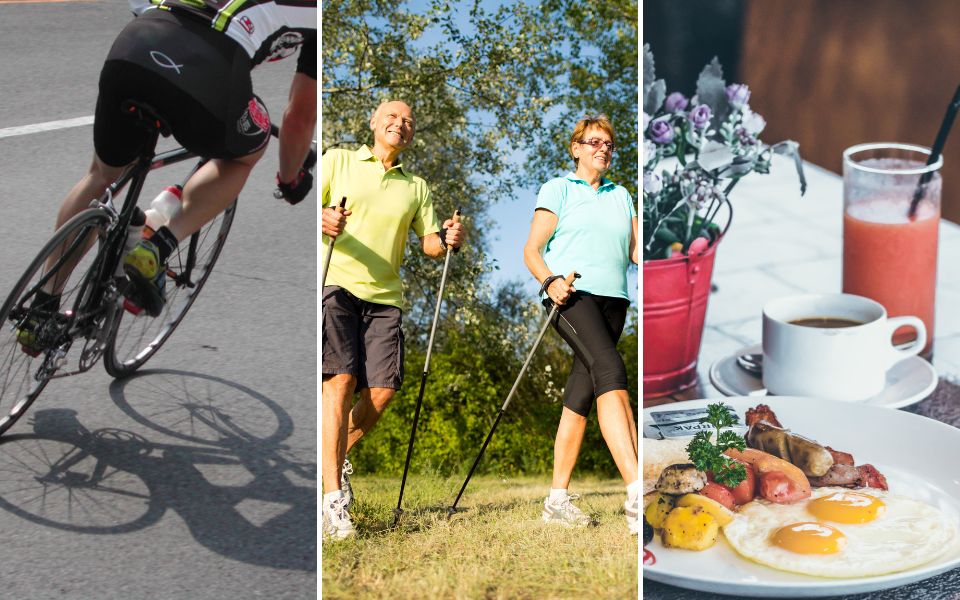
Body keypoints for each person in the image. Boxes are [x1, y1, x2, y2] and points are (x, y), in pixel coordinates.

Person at [18, 0, 316, 344]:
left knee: (102, 175)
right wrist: (290, 177)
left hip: (137, 44)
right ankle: (157, 246)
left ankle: (41, 309)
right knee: (250, 147)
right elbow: (299, 117)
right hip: (210, 72)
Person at [321, 100, 464, 540]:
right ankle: (332, 500)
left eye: (408, 120)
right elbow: (308, 206)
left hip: (385, 297)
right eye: (392, 116)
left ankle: (332, 455)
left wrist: (450, 237)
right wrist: (322, 216)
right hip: (337, 282)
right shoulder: (339, 160)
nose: (400, 123)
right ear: (373, 122)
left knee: (382, 390)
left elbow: (430, 245)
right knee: (341, 382)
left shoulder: (415, 186)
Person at [522, 115, 640, 534]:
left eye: (608, 144)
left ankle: (556, 500)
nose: (602, 149)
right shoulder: (558, 189)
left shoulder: (622, 194)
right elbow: (532, 249)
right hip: (572, 296)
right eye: (593, 142)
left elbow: (636, 251)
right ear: (576, 148)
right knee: (611, 370)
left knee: (581, 392)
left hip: (615, 302)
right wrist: (550, 281)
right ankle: (636, 489)